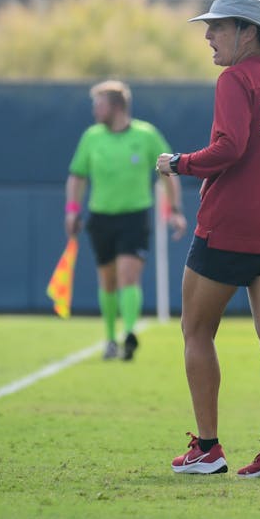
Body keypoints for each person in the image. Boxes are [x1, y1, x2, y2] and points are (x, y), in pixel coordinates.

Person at [156, 0, 260, 479]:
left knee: (196, 330)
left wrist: (180, 164)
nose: (207, 35)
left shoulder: (235, 79)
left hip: (230, 229)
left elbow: (229, 147)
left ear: (247, 32)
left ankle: (207, 449)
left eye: (217, 27)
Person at [65, 80, 186, 361]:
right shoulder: (91, 137)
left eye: (100, 104)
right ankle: (109, 338)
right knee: (107, 280)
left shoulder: (146, 135)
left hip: (134, 217)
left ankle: (129, 333)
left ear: (117, 106)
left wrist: (176, 211)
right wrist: (72, 210)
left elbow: (168, 172)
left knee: (128, 275)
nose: (95, 110)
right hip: (101, 217)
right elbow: (77, 176)